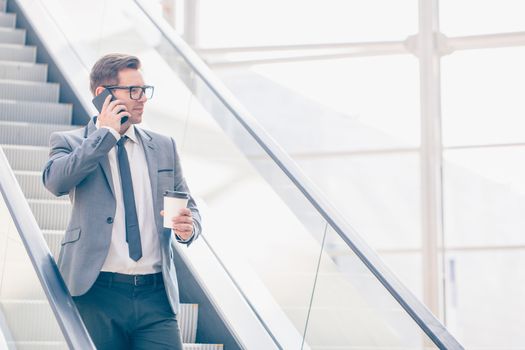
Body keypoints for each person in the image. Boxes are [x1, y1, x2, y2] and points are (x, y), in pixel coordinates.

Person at [42, 53, 201, 349]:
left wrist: (188, 228)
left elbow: (189, 205)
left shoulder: (163, 146)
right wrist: (105, 135)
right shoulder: (71, 143)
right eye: (133, 91)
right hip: (97, 292)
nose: (142, 99)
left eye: (144, 90)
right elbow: (56, 182)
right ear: (104, 96)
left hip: (156, 296)